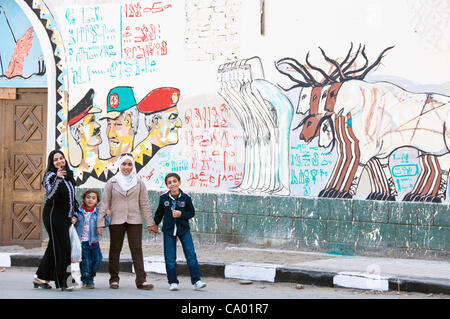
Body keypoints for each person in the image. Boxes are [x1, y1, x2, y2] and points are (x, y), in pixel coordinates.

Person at [97, 153, 159, 290]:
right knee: (115, 249)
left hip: (134, 220)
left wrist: (151, 223)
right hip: (116, 220)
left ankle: (141, 280)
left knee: (137, 249)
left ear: (133, 166)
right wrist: (100, 223)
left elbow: (144, 204)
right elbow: (104, 203)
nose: (126, 167)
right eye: (124, 164)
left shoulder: (139, 183)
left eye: (129, 164)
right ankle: (114, 279)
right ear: (119, 165)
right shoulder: (112, 182)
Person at [34, 150, 79, 291]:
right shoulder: (50, 176)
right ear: (52, 163)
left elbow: (72, 198)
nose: (59, 161)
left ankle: (40, 278)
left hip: (65, 217)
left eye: (61, 158)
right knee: (63, 248)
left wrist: (75, 214)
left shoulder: (68, 175)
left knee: (54, 247)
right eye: (55, 160)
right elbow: (51, 194)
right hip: (53, 216)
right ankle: (65, 282)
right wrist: (58, 179)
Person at [154, 172, 207, 291]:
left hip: (183, 230)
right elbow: (159, 214)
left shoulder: (186, 197)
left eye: (174, 181)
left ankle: (196, 280)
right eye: (169, 183)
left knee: (191, 255)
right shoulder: (163, 198)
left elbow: (191, 213)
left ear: (179, 182)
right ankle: (173, 282)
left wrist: (181, 214)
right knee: (169, 257)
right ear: (167, 185)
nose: (172, 184)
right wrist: (154, 225)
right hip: (168, 231)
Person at [74, 189, 110, 289]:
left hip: (94, 242)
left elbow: (105, 224)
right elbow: (74, 222)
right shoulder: (79, 211)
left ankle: (90, 276)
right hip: (82, 242)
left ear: (97, 201)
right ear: (84, 199)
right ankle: (86, 280)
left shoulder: (98, 212)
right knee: (86, 262)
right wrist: (73, 219)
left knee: (97, 260)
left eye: (93, 198)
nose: (90, 200)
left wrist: (107, 215)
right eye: (88, 197)